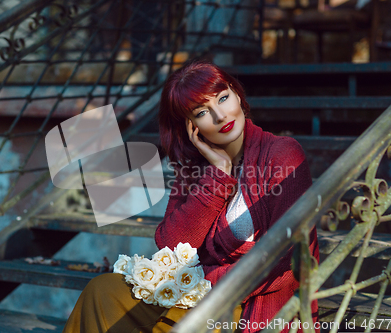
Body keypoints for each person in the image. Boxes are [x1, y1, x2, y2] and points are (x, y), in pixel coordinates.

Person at [62, 59, 319, 333]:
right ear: (190, 125)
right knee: (102, 292)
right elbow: (172, 246)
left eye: (223, 98)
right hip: (196, 293)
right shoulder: (195, 166)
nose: (221, 116)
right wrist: (219, 174)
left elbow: (288, 258)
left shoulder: (283, 154)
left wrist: (205, 281)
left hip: (252, 299)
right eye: (202, 112)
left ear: (236, 94)